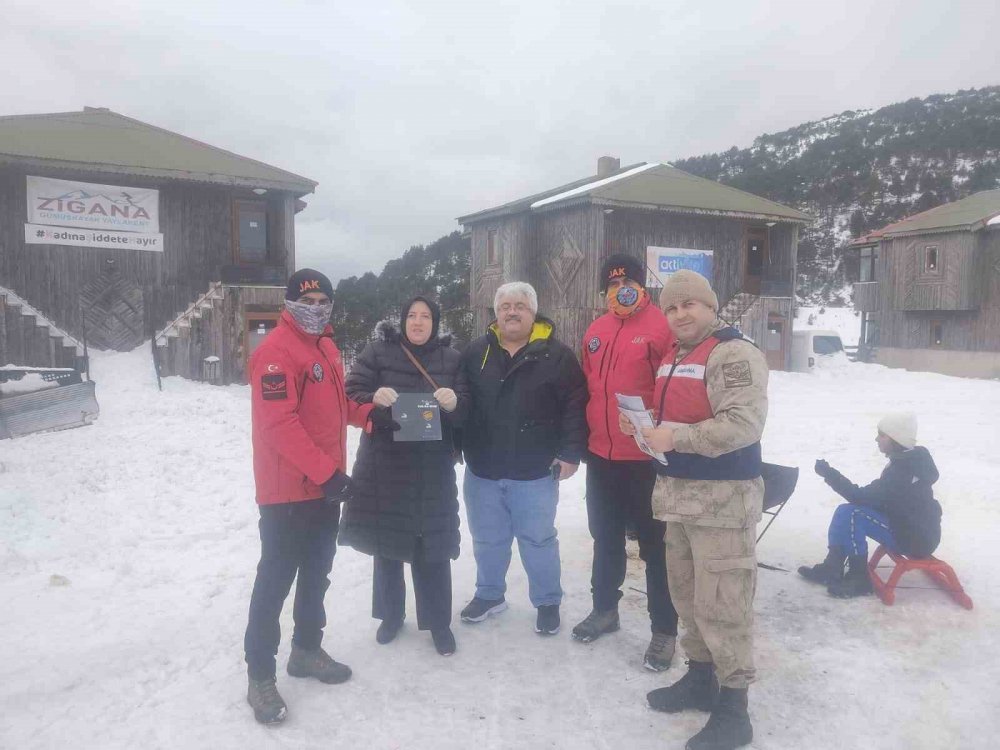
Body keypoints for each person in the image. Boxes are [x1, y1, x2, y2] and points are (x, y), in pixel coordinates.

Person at [626, 270, 768, 750]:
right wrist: (645, 430)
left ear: (711, 307)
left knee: (724, 604)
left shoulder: (734, 353)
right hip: (679, 500)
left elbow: (742, 424)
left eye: (690, 305)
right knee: (687, 597)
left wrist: (675, 437)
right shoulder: (675, 355)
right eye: (671, 307)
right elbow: (679, 417)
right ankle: (701, 678)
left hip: (723, 504)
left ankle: (734, 708)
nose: (680, 314)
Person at [243, 269, 374, 725]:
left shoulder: (326, 347)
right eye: (308, 299)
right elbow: (279, 426)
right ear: (290, 301)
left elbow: (334, 409)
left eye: (323, 299)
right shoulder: (275, 354)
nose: (316, 306)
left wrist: (371, 417)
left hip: (322, 489)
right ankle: (260, 676)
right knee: (274, 583)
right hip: (286, 494)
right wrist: (327, 474)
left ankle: (306, 650)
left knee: (317, 574)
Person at [339, 296, 469, 656]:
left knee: (433, 545)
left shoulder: (452, 359)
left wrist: (456, 403)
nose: (417, 321)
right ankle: (391, 616)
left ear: (435, 322)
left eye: (425, 316)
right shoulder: (378, 352)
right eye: (411, 315)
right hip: (386, 462)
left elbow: (470, 409)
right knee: (388, 544)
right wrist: (373, 398)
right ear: (402, 320)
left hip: (432, 466)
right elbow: (351, 393)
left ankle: (439, 623)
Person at [458, 281, 588, 636]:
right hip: (483, 469)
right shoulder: (475, 353)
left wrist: (570, 452)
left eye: (520, 306)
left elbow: (575, 407)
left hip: (534, 471)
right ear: (496, 313)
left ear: (533, 312)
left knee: (538, 540)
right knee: (487, 539)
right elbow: (460, 404)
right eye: (505, 307)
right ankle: (489, 595)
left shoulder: (557, 356)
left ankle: (547, 601)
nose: (512, 312)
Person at [574, 253, 679, 671]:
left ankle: (664, 630)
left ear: (642, 285)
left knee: (656, 547)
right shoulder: (596, 329)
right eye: (613, 285)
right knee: (605, 538)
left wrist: (655, 422)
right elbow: (588, 387)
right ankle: (605, 610)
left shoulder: (660, 327)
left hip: (647, 460)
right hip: (602, 455)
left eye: (628, 283)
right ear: (605, 290)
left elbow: (673, 391)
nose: (620, 290)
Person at [801, 412, 942, 598]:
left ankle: (859, 579)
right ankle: (832, 567)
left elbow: (860, 497)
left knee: (853, 514)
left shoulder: (904, 471)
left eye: (881, 435)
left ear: (895, 438)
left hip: (914, 538)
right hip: (907, 526)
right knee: (845, 511)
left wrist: (830, 474)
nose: (877, 439)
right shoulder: (907, 462)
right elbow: (878, 499)